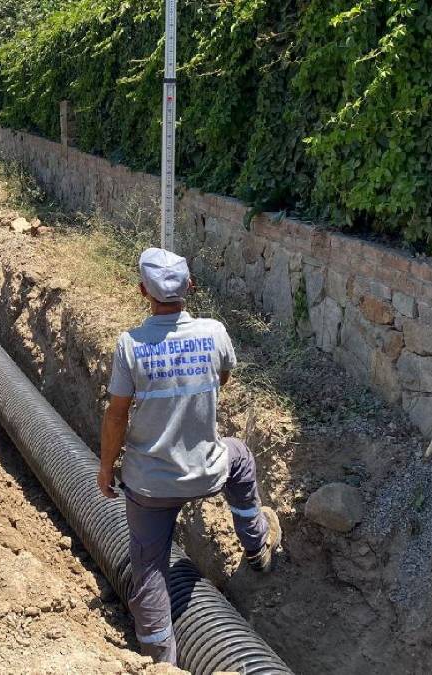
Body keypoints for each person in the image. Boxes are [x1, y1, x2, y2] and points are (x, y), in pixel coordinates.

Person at [99, 248, 282, 666]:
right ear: (191, 288)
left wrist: (107, 467)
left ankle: (160, 659)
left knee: (148, 569)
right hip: (206, 470)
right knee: (239, 456)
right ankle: (256, 547)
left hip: (149, 485)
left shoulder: (130, 345)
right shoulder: (214, 332)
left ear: (143, 291)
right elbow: (222, 377)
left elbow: (116, 415)